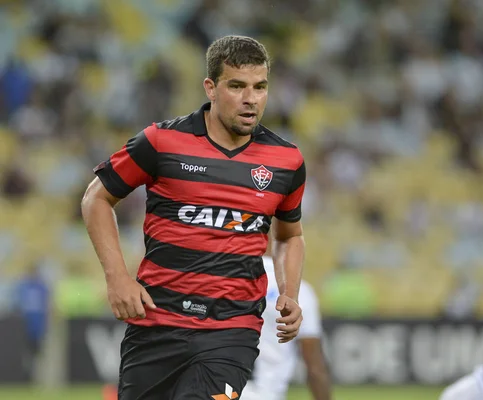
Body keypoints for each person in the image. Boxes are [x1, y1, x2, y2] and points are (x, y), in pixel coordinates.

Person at [81, 35, 306, 400]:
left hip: (232, 329)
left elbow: (289, 236)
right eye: (237, 86)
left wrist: (291, 293)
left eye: (260, 87)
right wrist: (117, 279)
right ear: (211, 87)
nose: (251, 99)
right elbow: (96, 199)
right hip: (157, 322)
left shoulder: (286, 161)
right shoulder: (160, 142)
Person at [241, 246, 331, 400]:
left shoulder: (228, 282)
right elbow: (315, 367)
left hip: (222, 390)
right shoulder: (299, 291)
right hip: (265, 393)